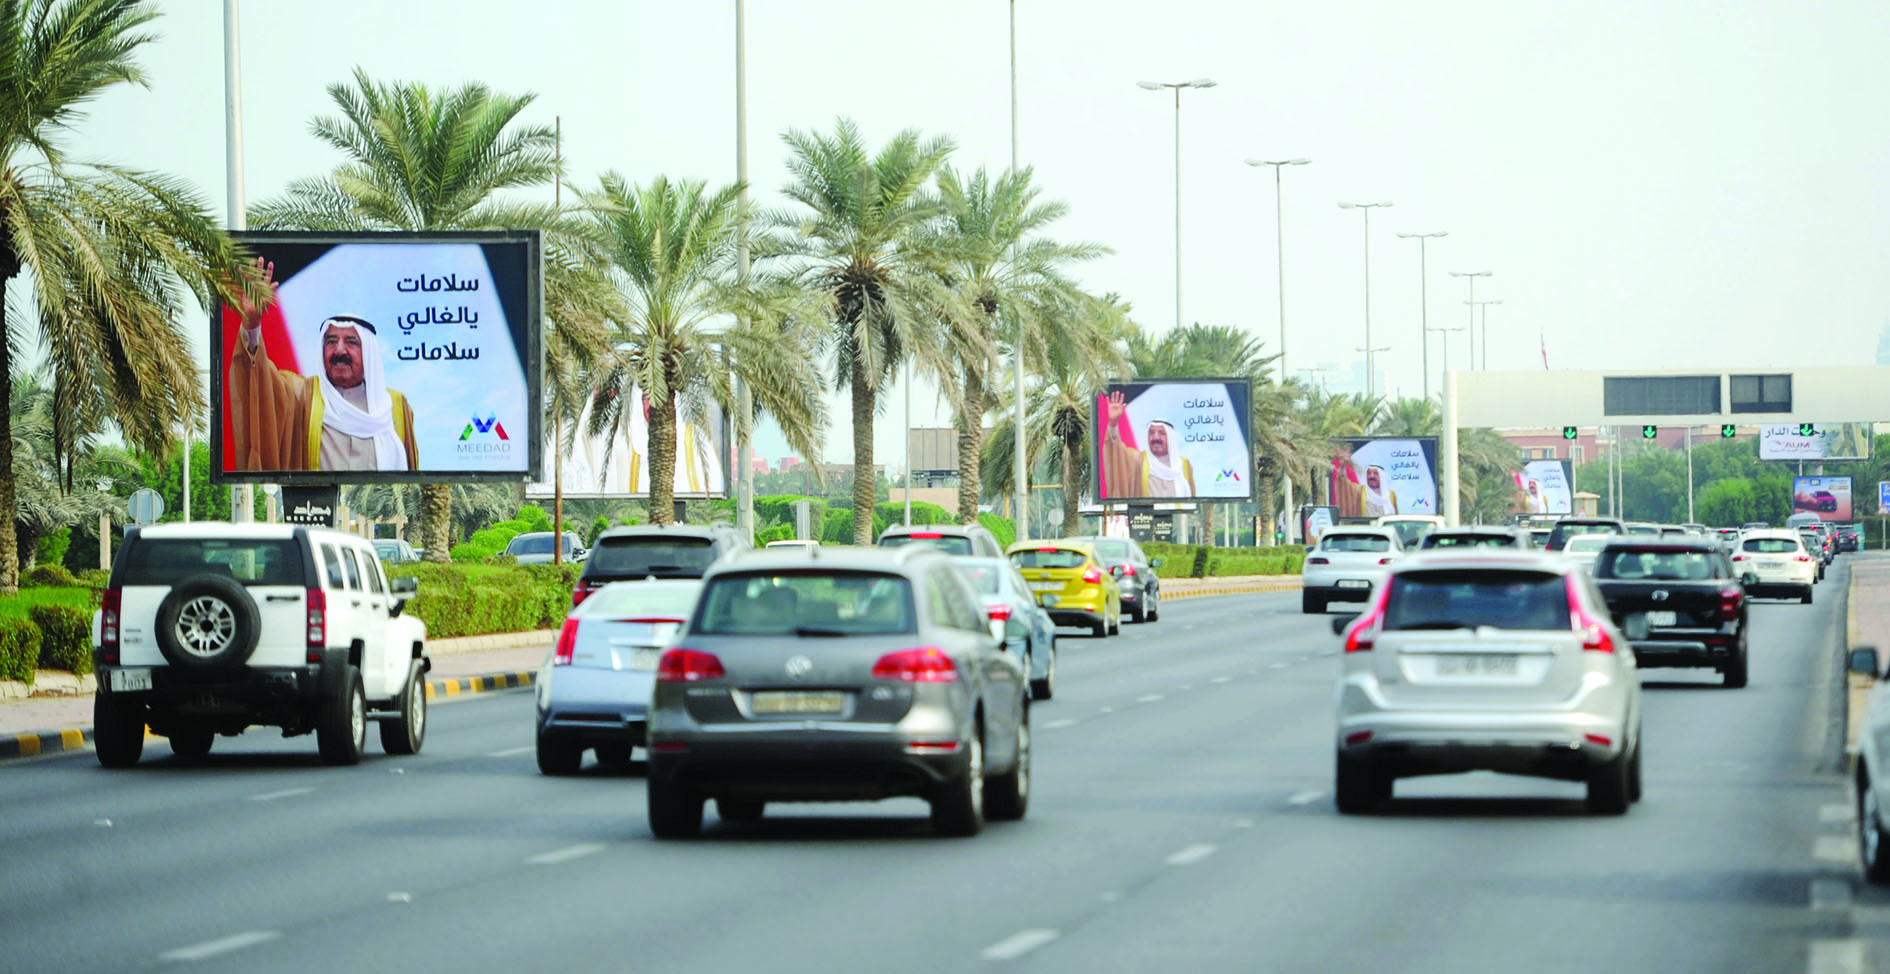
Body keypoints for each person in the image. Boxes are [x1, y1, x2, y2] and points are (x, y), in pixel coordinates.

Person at [227, 257, 419, 472]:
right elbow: (260, 384)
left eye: (351, 342)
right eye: (331, 341)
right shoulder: (302, 396)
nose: (339, 350)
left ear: (369, 352)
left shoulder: (395, 406)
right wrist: (252, 325)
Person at [1099, 390, 1196, 497]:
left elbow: (1192, 500)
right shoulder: (1138, 460)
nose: (1155, 437)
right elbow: (1116, 450)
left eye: (1161, 433)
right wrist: (1113, 424)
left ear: (1171, 438)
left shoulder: (1185, 465)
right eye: (1151, 433)